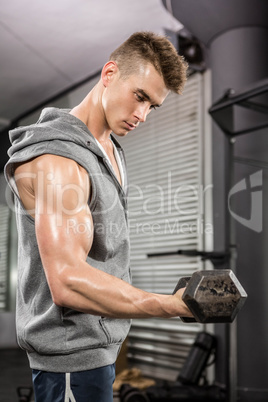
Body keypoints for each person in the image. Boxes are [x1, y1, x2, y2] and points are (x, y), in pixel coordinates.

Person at [5, 31, 191, 402]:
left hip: (100, 347)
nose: (142, 115)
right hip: (70, 357)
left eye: (152, 106)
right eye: (139, 96)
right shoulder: (58, 160)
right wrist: (172, 305)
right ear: (109, 74)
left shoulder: (110, 150)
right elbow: (68, 281)